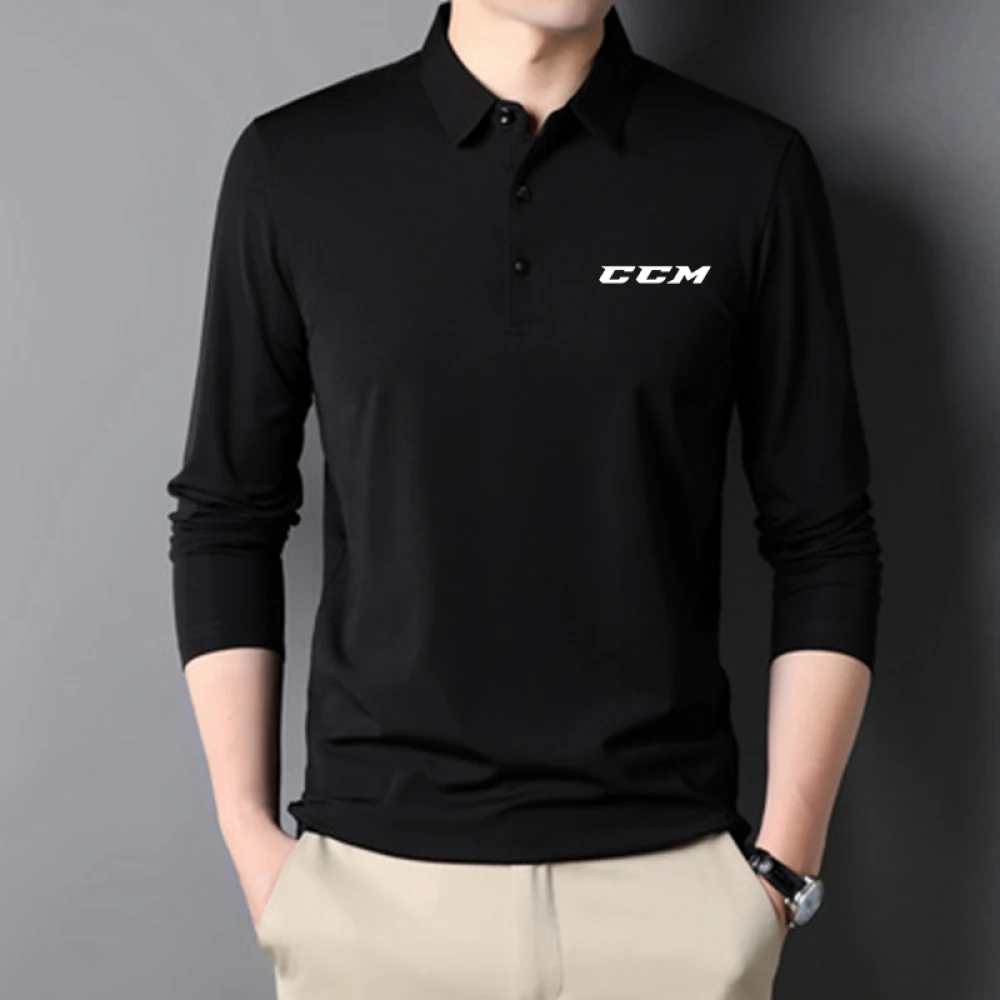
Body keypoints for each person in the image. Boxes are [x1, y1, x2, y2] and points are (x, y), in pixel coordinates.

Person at [165, 2, 882, 997]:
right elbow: (226, 515)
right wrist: (253, 843)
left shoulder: (747, 168)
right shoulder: (296, 166)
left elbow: (824, 538)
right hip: (373, 894)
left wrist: (780, 873)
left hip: (670, 899)